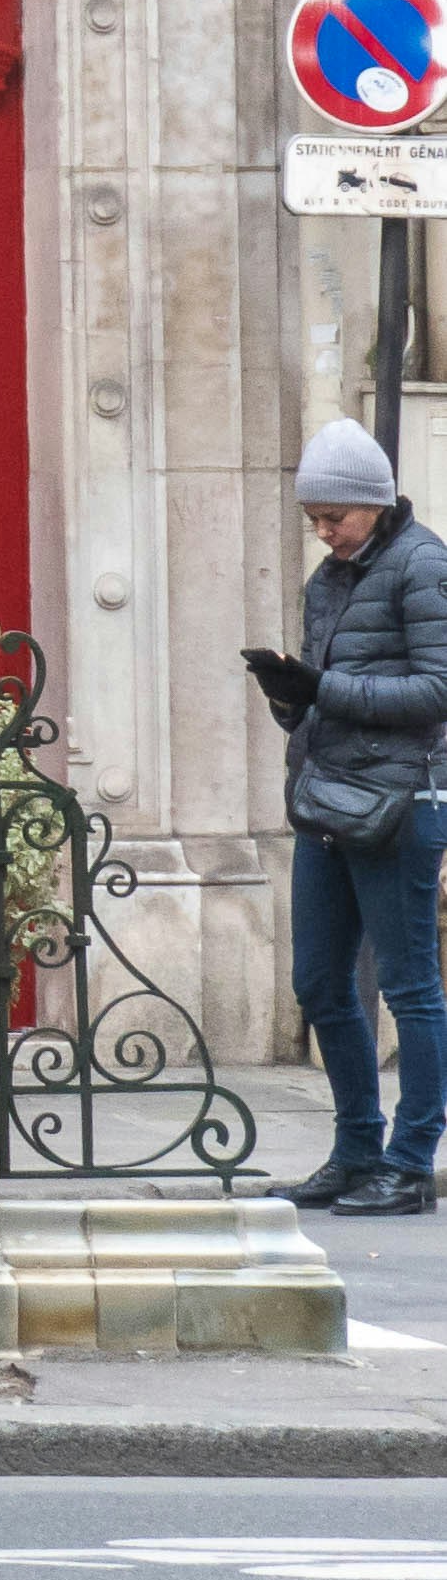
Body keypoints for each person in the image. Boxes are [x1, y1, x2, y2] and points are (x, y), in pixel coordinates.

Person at [244, 420, 447, 1216]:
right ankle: (357, 1148)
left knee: (408, 988)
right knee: (320, 982)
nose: (323, 533)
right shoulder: (327, 579)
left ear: (371, 502)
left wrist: (322, 690)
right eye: (313, 520)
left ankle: (408, 1160)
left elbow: (436, 692)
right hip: (327, 799)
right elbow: (329, 688)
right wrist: (290, 695)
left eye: (335, 517)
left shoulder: (423, 566)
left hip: (401, 804)